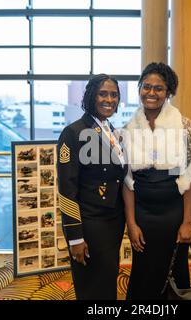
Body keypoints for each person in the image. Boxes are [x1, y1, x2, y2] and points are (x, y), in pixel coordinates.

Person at [122, 62, 191, 300]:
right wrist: (131, 224)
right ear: (139, 88)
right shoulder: (128, 129)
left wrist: (188, 222)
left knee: (175, 270)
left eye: (159, 88)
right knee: (143, 272)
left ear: (169, 92)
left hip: (173, 216)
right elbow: (127, 183)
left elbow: (190, 178)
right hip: (143, 217)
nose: (151, 93)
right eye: (146, 87)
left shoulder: (184, 127)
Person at [57, 74, 127, 300]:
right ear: (91, 97)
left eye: (114, 94)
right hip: (90, 223)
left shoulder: (111, 130)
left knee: (106, 280)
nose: (109, 99)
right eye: (103, 93)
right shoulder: (73, 132)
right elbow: (67, 190)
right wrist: (75, 237)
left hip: (113, 222)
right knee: (91, 285)